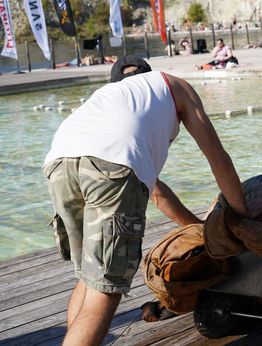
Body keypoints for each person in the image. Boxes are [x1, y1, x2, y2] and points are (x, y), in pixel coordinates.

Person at [42, 55, 249, 345]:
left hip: (58, 161)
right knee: (105, 287)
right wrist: (243, 217)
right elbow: (220, 163)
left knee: (89, 275)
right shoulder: (175, 87)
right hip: (111, 166)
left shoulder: (107, 98)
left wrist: (200, 229)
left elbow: (157, 192)